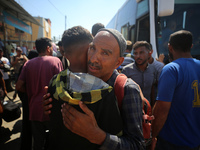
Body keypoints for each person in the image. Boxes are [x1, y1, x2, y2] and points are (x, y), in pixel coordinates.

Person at [59, 28, 145, 149]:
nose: (93, 58)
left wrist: (98, 136)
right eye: (92, 48)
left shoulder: (127, 90)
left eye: (105, 53)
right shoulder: (81, 79)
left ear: (118, 62)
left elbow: (137, 145)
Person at [151, 30, 200, 150]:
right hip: (195, 140)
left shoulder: (171, 69)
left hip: (172, 141)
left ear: (170, 47)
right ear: (191, 46)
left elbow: (162, 110)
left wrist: (152, 136)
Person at [16, 37, 63, 150]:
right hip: (51, 109)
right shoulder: (56, 61)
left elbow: (18, 86)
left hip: (34, 110)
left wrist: (32, 91)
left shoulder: (28, 64)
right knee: (54, 142)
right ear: (48, 48)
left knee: (38, 143)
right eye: (52, 47)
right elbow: (61, 87)